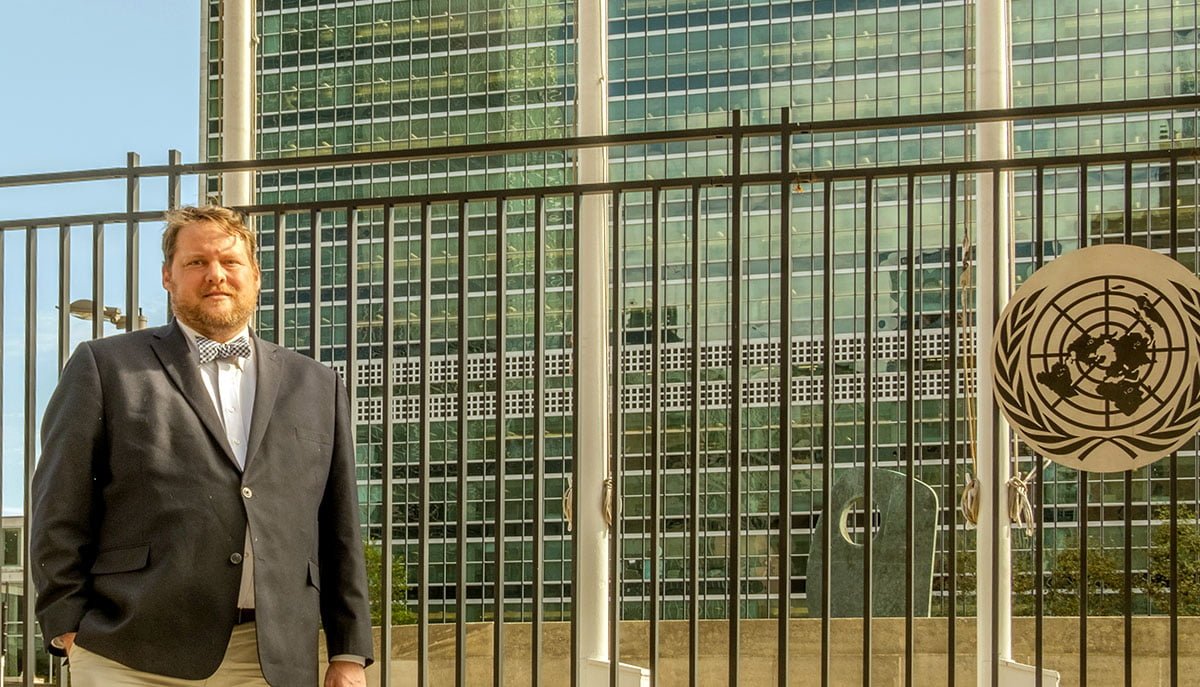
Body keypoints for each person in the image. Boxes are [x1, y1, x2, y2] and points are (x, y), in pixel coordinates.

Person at [31, 205, 374, 686]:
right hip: (129, 652)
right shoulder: (105, 366)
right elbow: (58, 502)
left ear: (255, 275)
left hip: (271, 659)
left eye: (230, 262)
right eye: (196, 263)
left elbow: (338, 526)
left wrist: (349, 651)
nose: (215, 275)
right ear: (168, 276)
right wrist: (66, 623)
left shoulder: (315, 383)